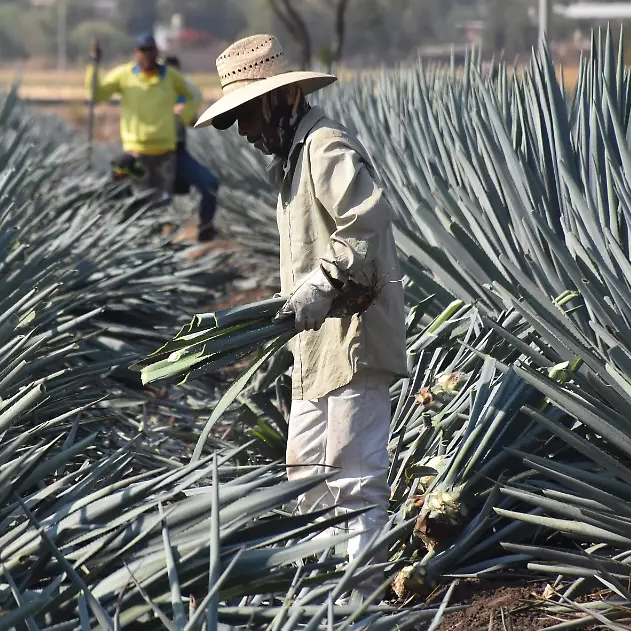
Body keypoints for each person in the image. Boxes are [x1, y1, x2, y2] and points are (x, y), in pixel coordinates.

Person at [193, 34, 407, 602]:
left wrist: (325, 281)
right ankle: (320, 600)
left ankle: (360, 605)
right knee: (307, 473)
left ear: (279, 101)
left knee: (354, 477)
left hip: (355, 340)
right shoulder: (290, 164)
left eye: (248, 115)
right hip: (315, 348)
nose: (245, 132)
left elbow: (367, 219)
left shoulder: (324, 146)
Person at [87, 33, 202, 206]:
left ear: (157, 52)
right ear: (135, 53)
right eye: (143, 50)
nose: (147, 55)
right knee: (135, 202)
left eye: (150, 50)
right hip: (135, 152)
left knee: (161, 202)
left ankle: (160, 232)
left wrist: (185, 114)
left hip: (164, 153)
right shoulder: (124, 75)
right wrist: (93, 66)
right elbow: (97, 95)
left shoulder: (170, 77)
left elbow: (193, 96)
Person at [164, 55, 221, 242]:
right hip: (158, 154)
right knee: (156, 197)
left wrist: (187, 112)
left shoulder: (182, 97)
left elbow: (192, 121)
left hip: (179, 153)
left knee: (210, 183)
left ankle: (205, 228)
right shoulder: (153, 95)